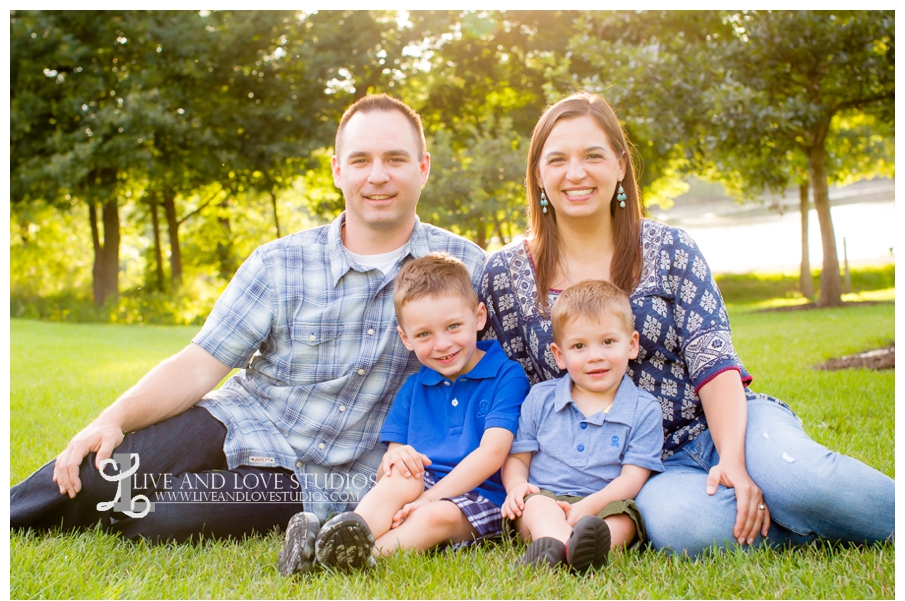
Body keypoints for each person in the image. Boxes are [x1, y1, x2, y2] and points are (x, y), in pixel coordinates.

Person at [10, 94, 487, 543]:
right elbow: (200, 364)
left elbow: (500, 376)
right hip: (242, 419)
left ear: (423, 168)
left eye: (396, 159)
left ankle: (145, 510)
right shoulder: (280, 262)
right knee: (108, 470)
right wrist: (113, 417)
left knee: (165, 518)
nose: (377, 176)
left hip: (324, 479)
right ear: (338, 170)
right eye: (361, 160)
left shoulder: (466, 269)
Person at [480, 92, 894, 556]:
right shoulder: (506, 274)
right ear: (538, 174)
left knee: (805, 483)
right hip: (643, 466)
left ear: (619, 165)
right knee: (686, 529)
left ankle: (790, 497)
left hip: (720, 425)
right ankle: (795, 531)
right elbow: (502, 385)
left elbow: (713, 361)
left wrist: (733, 461)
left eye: (593, 155)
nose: (575, 173)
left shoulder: (670, 247)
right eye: (557, 160)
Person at [278, 252, 530, 574]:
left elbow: (493, 454)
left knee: (435, 515)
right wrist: (397, 465)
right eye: (424, 334)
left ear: (479, 317)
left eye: (453, 326)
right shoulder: (414, 387)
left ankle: (356, 557)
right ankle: (347, 535)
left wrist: (428, 499)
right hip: (422, 486)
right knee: (402, 475)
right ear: (405, 338)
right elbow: (392, 461)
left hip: (481, 496)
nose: (441, 344)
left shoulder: (506, 375)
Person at [501, 280, 663, 573]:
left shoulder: (644, 409)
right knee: (536, 507)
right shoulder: (541, 398)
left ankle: (592, 546)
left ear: (632, 344)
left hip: (604, 502)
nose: (595, 356)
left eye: (608, 342)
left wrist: (589, 507)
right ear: (560, 355)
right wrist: (516, 486)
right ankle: (559, 543)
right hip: (546, 495)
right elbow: (518, 457)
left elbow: (632, 480)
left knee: (625, 519)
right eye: (579, 346)